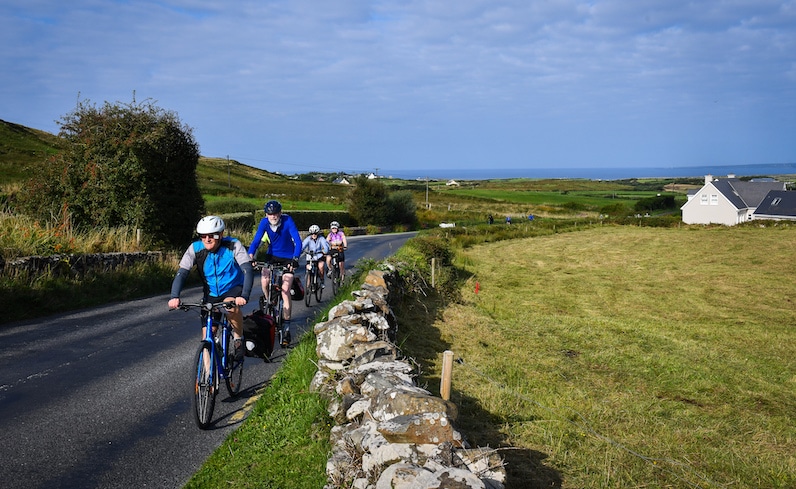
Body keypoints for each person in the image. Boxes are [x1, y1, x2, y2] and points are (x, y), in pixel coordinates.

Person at [168, 216, 254, 360]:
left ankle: (238, 338)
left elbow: (247, 270)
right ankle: (207, 380)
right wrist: (174, 296)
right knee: (207, 336)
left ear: (220, 235)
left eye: (212, 235)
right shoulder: (195, 249)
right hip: (211, 294)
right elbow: (182, 273)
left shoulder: (233, 245)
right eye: (203, 236)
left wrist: (244, 295)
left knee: (230, 306)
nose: (207, 239)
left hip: (232, 288)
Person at [248, 200, 302, 347]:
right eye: (270, 214)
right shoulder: (264, 222)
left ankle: (286, 329)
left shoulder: (287, 220)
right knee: (264, 281)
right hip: (271, 256)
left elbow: (297, 241)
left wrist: (295, 259)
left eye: (275, 213)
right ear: (266, 214)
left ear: (280, 213)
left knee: (285, 291)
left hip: (288, 258)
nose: (273, 216)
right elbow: (256, 241)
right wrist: (250, 255)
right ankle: (268, 300)